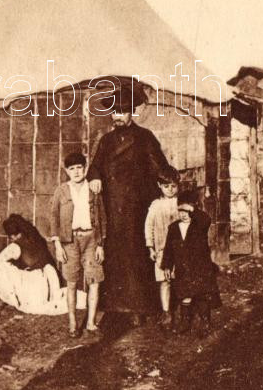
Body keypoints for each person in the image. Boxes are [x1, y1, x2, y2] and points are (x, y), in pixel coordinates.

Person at [87, 85, 170, 322]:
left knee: (136, 257)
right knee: (114, 257)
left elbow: (159, 167)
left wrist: (168, 188)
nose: (118, 116)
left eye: (122, 112)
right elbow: (95, 166)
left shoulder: (145, 137)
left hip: (136, 208)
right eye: (114, 112)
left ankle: (138, 309)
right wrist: (94, 177)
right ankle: (113, 307)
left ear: (131, 113)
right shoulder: (106, 141)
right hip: (113, 208)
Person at [50, 152, 106, 338]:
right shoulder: (61, 191)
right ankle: (73, 323)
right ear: (66, 171)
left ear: (85, 168)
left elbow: (102, 217)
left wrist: (100, 244)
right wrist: (58, 245)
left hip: (91, 240)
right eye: (72, 169)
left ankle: (90, 322)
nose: (76, 172)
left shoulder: (93, 189)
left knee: (94, 281)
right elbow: (54, 217)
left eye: (79, 168)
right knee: (72, 282)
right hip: (70, 241)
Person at [0, 214, 86, 316]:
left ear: (13, 236)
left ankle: (1, 302)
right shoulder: (37, 239)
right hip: (50, 284)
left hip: (36, 289)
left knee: (1, 268)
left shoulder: (15, 247)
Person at [161, 191, 221, 336]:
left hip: (200, 268)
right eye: (180, 210)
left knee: (202, 295)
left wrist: (193, 209)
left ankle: (205, 322)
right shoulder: (173, 228)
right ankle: (185, 322)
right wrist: (167, 266)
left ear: (193, 209)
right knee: (184, 295)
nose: (183, 214)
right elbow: (168, 249)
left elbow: (206, 219)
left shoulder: (199, 224)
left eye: (187, 211)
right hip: (182, 268)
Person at [144, 166, 180, 328]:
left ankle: (182, 310)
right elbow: (149, 226)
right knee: (164, 281)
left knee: (180, 279)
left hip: (179, 250)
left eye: (173, 186)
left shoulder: (181, 204)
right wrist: (150, 247)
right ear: (159, 185)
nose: (170, 190)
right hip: (162, 250)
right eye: (166, 186)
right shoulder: (156, 205)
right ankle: (166, 312)